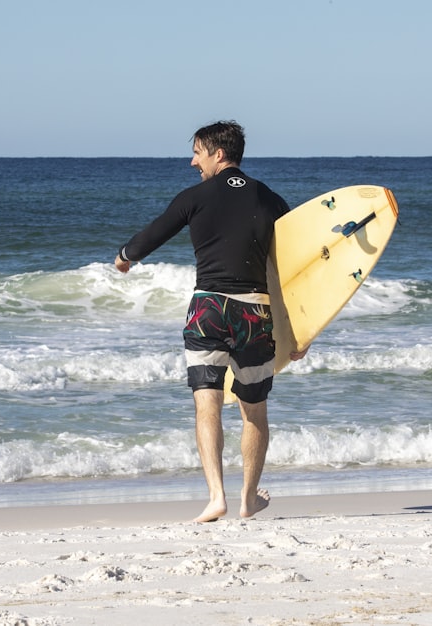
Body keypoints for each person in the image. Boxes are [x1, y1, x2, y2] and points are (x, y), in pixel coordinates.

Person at [114, 120, 306, 522]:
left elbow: (153, 235)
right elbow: (292, 268)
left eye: (197, 152)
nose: (192, 161)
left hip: (208, 311)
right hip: (254, 312)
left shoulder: (195, 197)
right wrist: (300, 330)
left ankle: (216, 496)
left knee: (207, 405)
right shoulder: (270, 199)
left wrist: (125, 256)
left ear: (219, 154)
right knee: (254, 410)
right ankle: (248, 499)